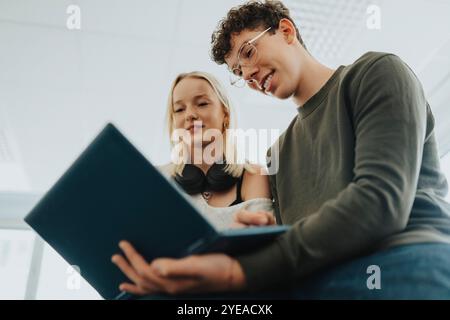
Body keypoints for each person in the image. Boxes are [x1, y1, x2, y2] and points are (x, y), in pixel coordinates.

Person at [111, 1, 450, 299]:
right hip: (315, 280)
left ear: (286, 30)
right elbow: (294, 238)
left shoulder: (374, 74)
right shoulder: (277, 153)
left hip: (399, 259)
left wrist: (238, 272)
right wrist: (255, 234)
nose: (249, 75)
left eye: (248, 52)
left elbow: (379, 204)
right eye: (238, 72)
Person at [158, 71, 274, 230]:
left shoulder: (255, 175)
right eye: (179, 109)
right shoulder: (159, 179)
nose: (190, 115)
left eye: (202, 104)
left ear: (225, 114)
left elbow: (260, 242)